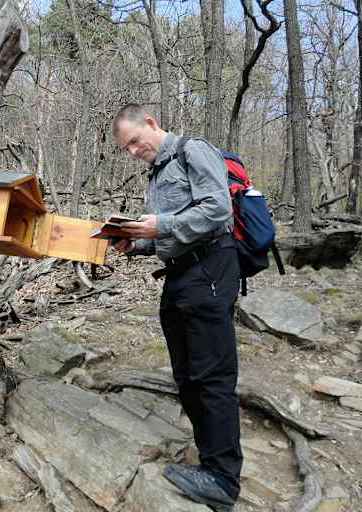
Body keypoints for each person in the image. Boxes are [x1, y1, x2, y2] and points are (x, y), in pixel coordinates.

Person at [111, 103, 242, 512]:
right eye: (127, 149)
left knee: (211, 375)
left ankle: (223, 480)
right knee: (186, 375)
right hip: (179, 275)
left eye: (135, 141)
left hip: (211, 269)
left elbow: (218, 209)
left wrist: (161, 225)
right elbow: (168, 235)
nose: (134, 152)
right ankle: (208, 459)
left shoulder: (193, 150)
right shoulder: (157, 173)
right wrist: (135, 243)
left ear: (151, 123)